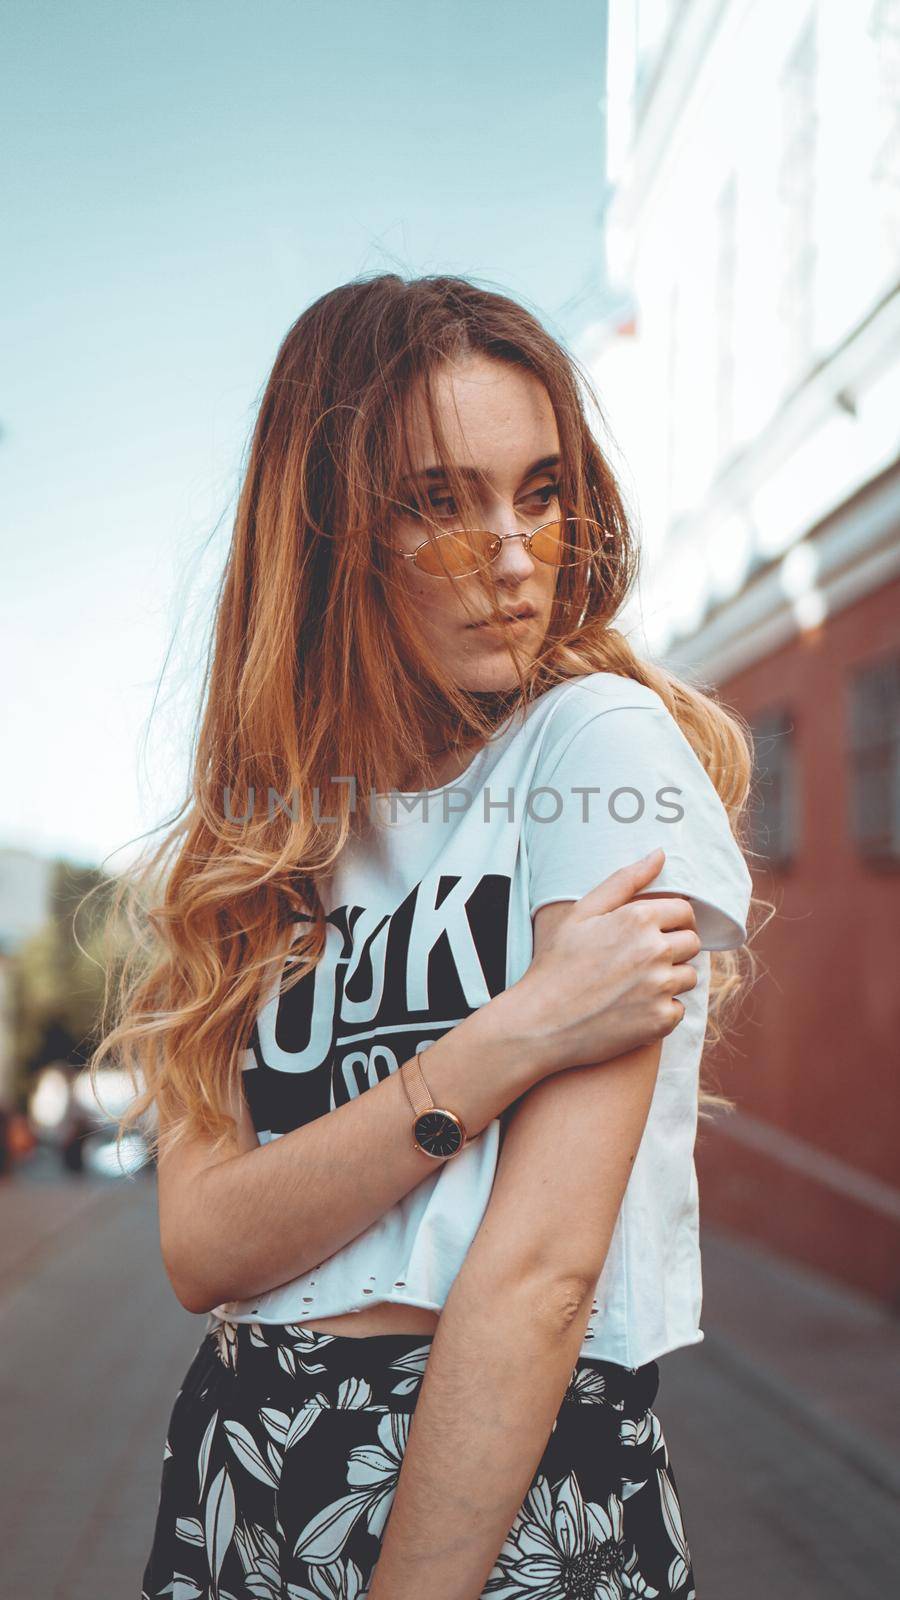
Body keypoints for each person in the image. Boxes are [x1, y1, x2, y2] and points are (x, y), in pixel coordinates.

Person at [93, 273, 755, 1600]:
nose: (513, 553)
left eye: (542, 489)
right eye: (438, 502)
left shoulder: (594, 752)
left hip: (497, 1488)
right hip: (242, 1468)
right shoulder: (266, 833)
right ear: (330, 533)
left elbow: (543, 1273)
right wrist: (509, 1041)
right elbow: (205, 1246)